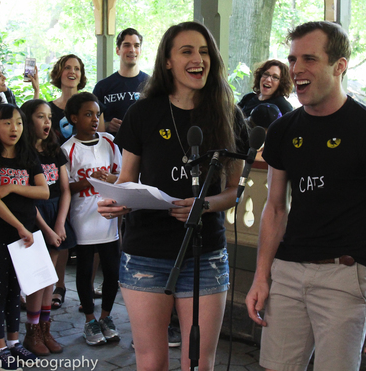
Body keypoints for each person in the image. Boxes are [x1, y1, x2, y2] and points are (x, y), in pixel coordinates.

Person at [245, 21, 366, 371]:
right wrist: (261, 276)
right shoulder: (283, 130)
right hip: (286, 272)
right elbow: (275, 209)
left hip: (345, 276)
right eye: (292, 58)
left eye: (309, 59)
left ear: (340, 66)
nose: (296, 69)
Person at [97, 21, 245, 370]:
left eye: (205, 51)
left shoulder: (228, 113)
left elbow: (234, 191)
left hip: (204, 252)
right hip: (146, 251)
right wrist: (117, 202)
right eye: (188, 51)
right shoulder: (144, 112)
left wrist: (204, 205)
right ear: (167, 61)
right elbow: (128, 179)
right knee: (150, 358)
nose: (199, 59)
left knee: (198, 361)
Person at [0, 104, 49, 369]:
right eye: (7, 123)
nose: (14, 129)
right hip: (0, 234)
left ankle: (13, 342)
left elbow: (43, 192)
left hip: (25, 236)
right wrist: (19, 226)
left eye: (19, 123)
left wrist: (12, 186)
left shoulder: (27, 154)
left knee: (15, 291)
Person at [60, 92, 121, 346]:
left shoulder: (109, 141)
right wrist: (90, 179)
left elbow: (121, 176)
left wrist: (110, 179)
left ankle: (106, 317)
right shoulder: (67, 148)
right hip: (83, 219)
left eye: (97, 114)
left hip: (109, 219)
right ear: (74, 118)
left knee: (112, 271)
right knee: (84, 273)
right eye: (88, 114)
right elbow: (65, 188)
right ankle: (89, 320)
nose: (95, 119)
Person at [47, 54, 104, 310]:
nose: (73, 72)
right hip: (58, 174)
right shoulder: (49, 107)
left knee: (90, 234)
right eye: (68, 68)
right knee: (61, 232)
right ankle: (58, 285)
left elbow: (100, 137)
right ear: (59, 72)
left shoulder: (90, 103)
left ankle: (89, 286)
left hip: (87, 179)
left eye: (77, 68)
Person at [20, 98, 73, 355]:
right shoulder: (22, 154)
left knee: (49, 278)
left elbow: (65, 190)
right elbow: (27, 199)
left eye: (49, 117)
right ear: (28, 120)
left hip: (55, 216)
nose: (47, 122)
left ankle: (45, 329)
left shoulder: (56, 150)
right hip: (34, 218)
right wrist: (47, 229)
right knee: (37, 279)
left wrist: (60, 223)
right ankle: (32, 333)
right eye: (41, 116)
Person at [92, 28, 149, 135]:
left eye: (136, 46)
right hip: (111, 149)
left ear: (140, 51)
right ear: (118, 50)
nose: (132, 50)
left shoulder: (151, 85)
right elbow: (90, 123)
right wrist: (107, 125)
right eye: (127, 45)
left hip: (143, 149)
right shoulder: (102, 87)